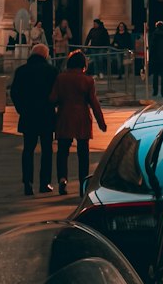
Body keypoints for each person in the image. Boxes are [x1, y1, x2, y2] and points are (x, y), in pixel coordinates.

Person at [50, 49, 106, 195]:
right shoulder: (87, 80)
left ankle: (62, 179)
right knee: (83, 152)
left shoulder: (61, 78)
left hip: (64, 116)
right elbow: (94, 103)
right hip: (82, 118)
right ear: (83, 64)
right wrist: (101, 122)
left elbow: (53, 98)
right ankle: (83, 183)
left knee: (62, 151)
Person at [10, 41, 58, 195]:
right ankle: (45, 183)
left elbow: (14, 92)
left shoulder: (21, 71)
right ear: (45, 55)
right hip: (46, 115)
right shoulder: (52, 71)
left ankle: (28, 183)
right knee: (47, 150)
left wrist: (21, 109)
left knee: (28, 149)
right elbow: (56, 94)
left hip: (28, 115)